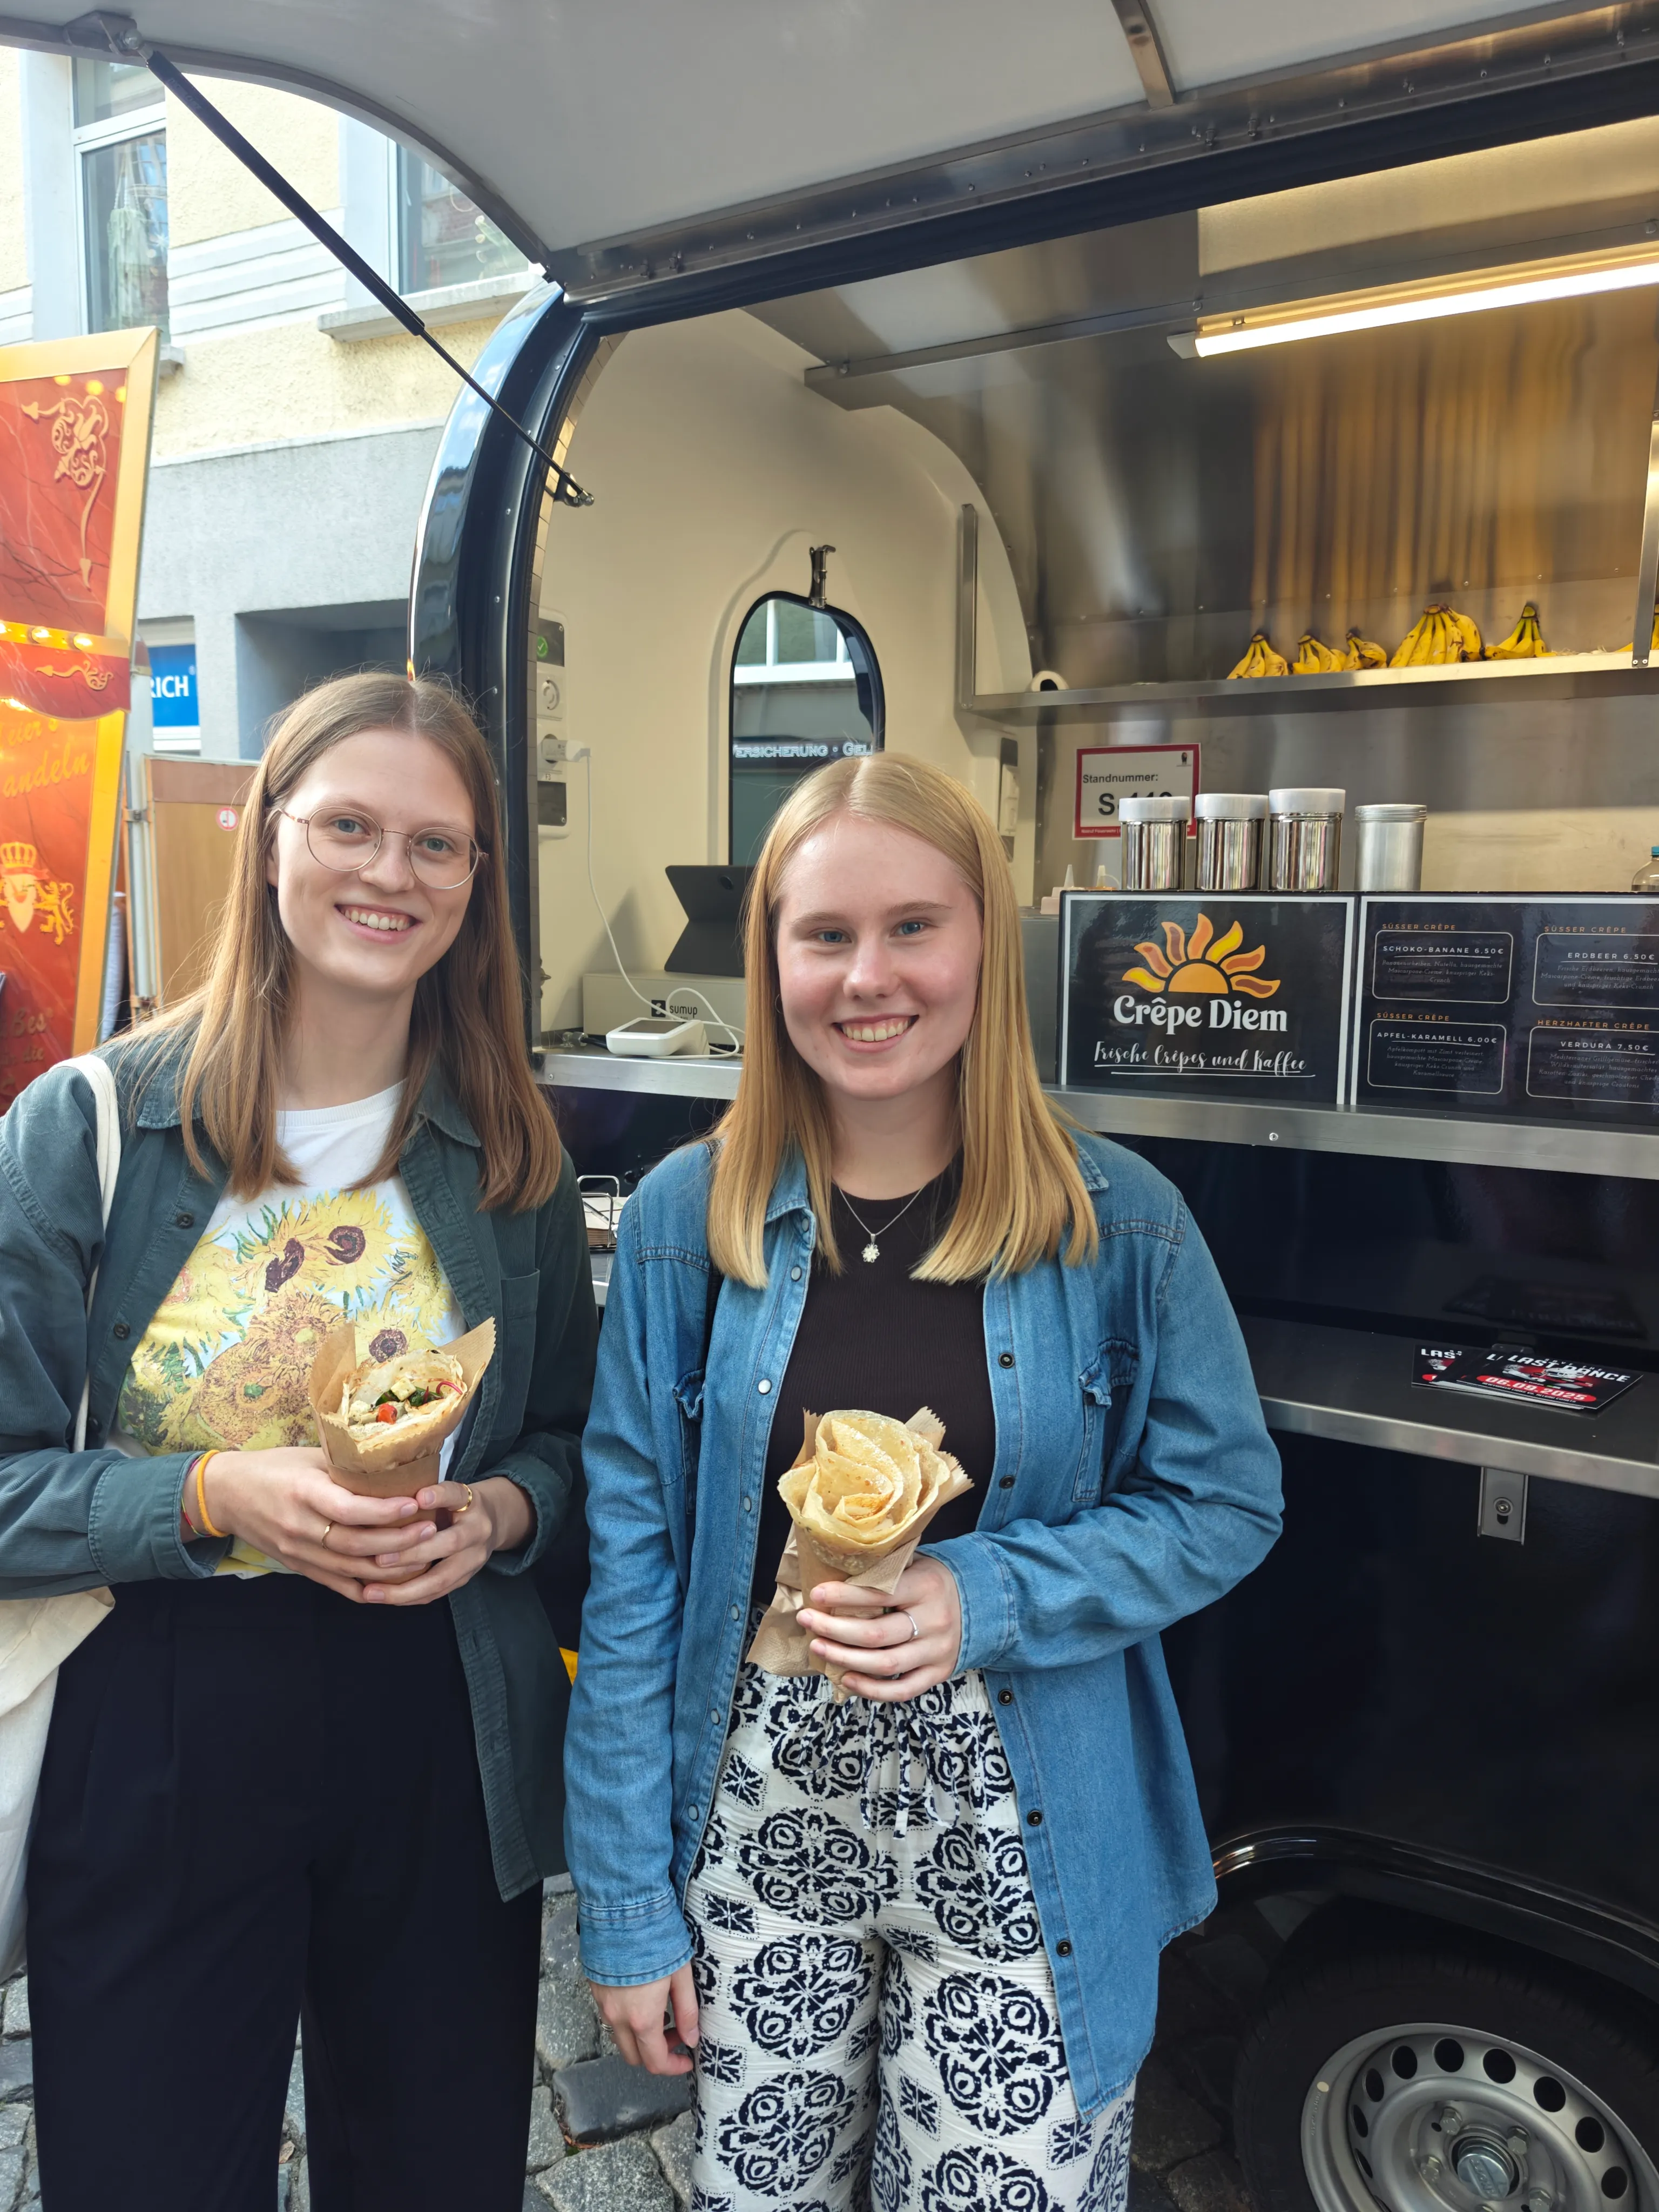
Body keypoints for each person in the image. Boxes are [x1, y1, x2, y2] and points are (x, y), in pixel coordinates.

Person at [564, 752, 1283, 2211]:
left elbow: (1228, 1504)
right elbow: (631, 1580)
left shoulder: (1120, 1227)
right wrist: (629, 1908)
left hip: (1027, 1833)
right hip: (759, 1825)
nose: (866, 976)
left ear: (985, 944)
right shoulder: (674, 1231)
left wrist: (989, 1590)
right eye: (824, 934)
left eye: (913, 927)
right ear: (770, 958)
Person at [0, 672, 596, 2212]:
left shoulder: (509, 1150)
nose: (388, 874)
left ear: (476, 884)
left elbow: (572, 1444)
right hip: (158, 1713)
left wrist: (504, 1519)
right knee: (147, 2172)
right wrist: (207, 1489)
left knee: (437, 2174)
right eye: (348, 824)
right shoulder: (87, 1132)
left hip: (442, 1717)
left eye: (436, 844)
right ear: (270, 839)